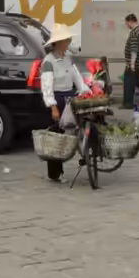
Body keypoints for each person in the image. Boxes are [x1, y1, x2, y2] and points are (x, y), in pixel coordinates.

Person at [41, 23, 89, 183]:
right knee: (57, 138)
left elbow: (77, 79)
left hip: (70, 99)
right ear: (59, 42)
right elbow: (46, 87)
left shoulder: (68, 59)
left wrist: (86, 92)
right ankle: (55, 173)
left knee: (73, 133)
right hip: (57, 100)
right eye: (66, 40)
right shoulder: (48, 62)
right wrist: (53, 107)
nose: (68, 43)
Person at [122, 13, 139, 109]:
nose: (126, 25)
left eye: (126, 23)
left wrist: (132, 64)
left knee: (128, 82)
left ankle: (128, 103)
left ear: (130, 22)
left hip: (135, 64)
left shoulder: (134, 32)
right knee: (138, 83)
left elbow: (134, 49)